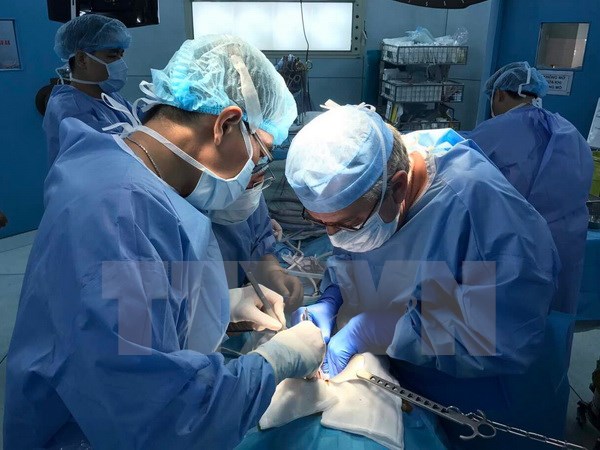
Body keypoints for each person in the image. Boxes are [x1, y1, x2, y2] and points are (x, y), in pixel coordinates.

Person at [4, 35, 325, 450]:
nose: (255, 172)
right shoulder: (118, 214)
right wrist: (274, 362)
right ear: (225, 123)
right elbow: (162, 419)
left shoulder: (118, 167)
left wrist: (217, 306)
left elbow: (120, 316)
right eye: (259, 154)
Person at [286, 104, 570, 449]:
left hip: (486, 401)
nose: (334, 236)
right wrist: (333, 295)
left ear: (398, 186)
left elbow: (507, 331)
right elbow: (354, 255)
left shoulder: (482, 210)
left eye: (347, 224)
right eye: (322, 223)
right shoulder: (371, 178)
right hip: (409, 379)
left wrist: (385, 329)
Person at [461, 61, 593, 316]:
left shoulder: (497, 130)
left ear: (500, 94)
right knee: (552, 315)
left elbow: (460, 164)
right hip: (564, 243)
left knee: (503, 317)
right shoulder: (569, 132)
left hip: (514, 244)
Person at [43, 14, 137, 166]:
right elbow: (107, 156)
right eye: (112, 55)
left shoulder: (109, 95)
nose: (120, 64)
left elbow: (140, 117)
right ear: (82, 59)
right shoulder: (70, 109)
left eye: (121, 55)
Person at [209, 167, 304, 314]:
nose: (250, 189)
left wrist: (273, 272)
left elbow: (260, 239)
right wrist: (222, 309)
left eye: (256, 181)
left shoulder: (249, 191)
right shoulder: (175, 220)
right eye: (243, 183)